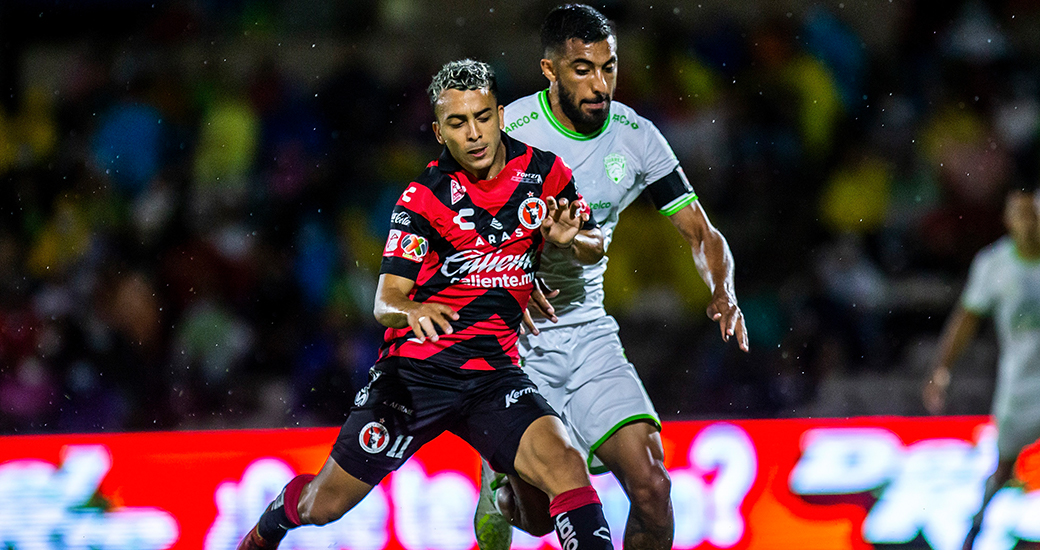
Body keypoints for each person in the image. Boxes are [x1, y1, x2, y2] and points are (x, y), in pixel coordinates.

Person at [237, 58, 615, 550]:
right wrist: (413, 310)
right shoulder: (422, 199)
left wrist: (572, 240)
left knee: (558, 486)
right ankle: (275, 520)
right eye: (457, 123)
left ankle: (498, 492)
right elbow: (386, 301)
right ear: (439, 132)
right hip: (416, 375)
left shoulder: (546, 173)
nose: (474, 134)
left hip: (494, 374)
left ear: (501, 115)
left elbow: (594, 244)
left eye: (482, 117)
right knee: (323, 507)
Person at [474, 5, 750, 550]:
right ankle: (499, 494)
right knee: (539, 517)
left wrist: (723, 289)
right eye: (582, 70)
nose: (600, 85)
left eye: (609, 67)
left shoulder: (636, 137)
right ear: (549, 70)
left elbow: (701, 232)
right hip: (513, 344)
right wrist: (504, 275)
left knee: (653, 488)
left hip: (589, 334)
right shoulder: (507, 132)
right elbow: (449, 230)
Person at [924, 188, 1040, 550]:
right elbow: (966, 319)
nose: (1028, 222)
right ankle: (977, 526)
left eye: (1033, 214)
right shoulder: (994, 264)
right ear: (1008, 220)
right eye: (1020, 215)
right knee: (1004, 466)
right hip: (1020, 384)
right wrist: (941, 370)